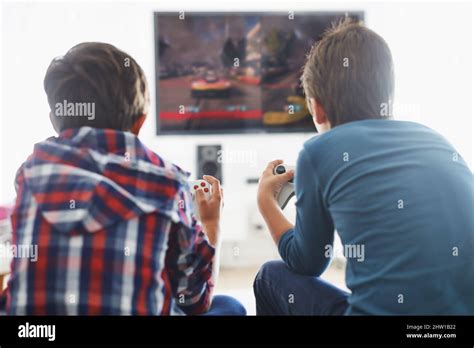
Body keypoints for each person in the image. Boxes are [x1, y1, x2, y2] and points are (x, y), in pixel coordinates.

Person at [2, 42, 245, 316]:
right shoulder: (167, 183)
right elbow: (195, 300)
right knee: (230, 307)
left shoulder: (29, 173)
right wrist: (212, 224)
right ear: (140, 123)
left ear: (55, 120)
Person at [254, 19, 474, 315]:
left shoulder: (317, 152)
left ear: (316, 108)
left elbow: (308, 263)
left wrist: (266, 202)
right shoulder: (434, 139)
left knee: (270, 276)